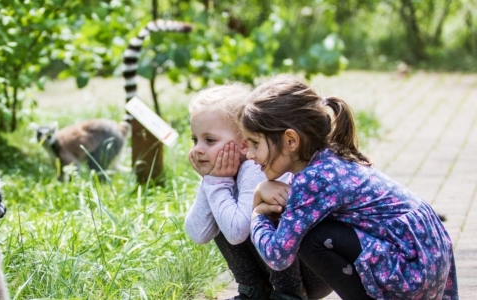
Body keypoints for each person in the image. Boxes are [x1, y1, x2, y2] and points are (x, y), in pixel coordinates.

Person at [239, 74, 458, 300]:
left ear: (291, 141)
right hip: (427, 258)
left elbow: (277, 255)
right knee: (310, 229)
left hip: (412, 267)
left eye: (255, 143)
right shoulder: (329, 159)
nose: (250, 154)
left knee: (312, 238)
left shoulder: (313, 179)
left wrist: (257, 214)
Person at [184, 83, 332, 300]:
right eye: (195, 139)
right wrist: (211, 182)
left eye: (210, 140)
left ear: (244, 143)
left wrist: (216, 184)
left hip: (312, 274)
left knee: (262, 211)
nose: (198, 149)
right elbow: (198, 233)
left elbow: (237, 233)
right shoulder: (221, 175)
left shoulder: (255, 167)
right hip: (278, 269)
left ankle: (288, 294)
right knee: (221, 211)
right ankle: (253, 291)